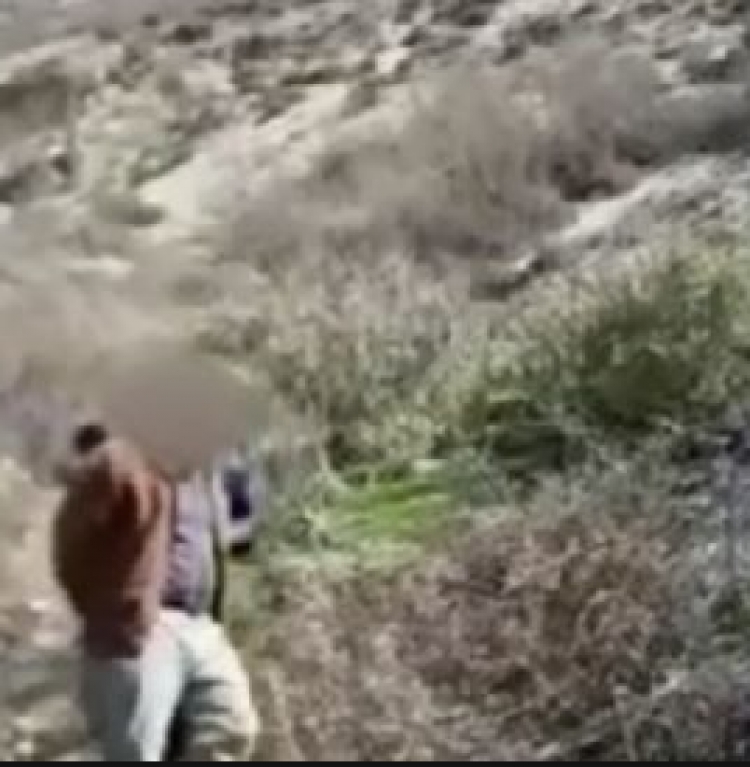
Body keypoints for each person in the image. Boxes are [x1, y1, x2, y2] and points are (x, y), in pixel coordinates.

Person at [51, 421, 259, 761]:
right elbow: (69, 540)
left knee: (231, 728)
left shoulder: (208, 468)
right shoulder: (118, 460)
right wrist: (110, 609)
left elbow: (238, 533)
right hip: (139, 630)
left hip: (200, 624)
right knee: (136, 751)